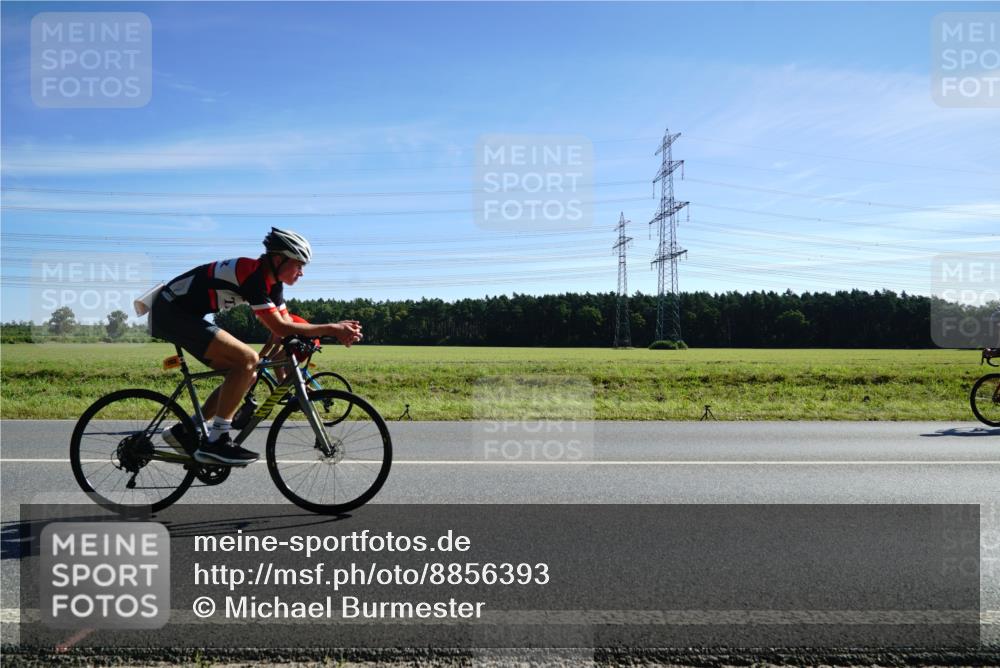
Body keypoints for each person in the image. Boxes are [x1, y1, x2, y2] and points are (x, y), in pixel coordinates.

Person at [151, 227, 362, 465]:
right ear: (278, 259)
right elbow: (281, 328)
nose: (301, 272)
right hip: (170, 312)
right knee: (247, 359)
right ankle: (216, 441)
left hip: (185, 314)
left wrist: (330, 332)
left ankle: (185, 430)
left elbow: (285, 324)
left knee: (246, 374)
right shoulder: (252, 275)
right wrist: (332, 328)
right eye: (298, 264)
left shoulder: (273, 284)